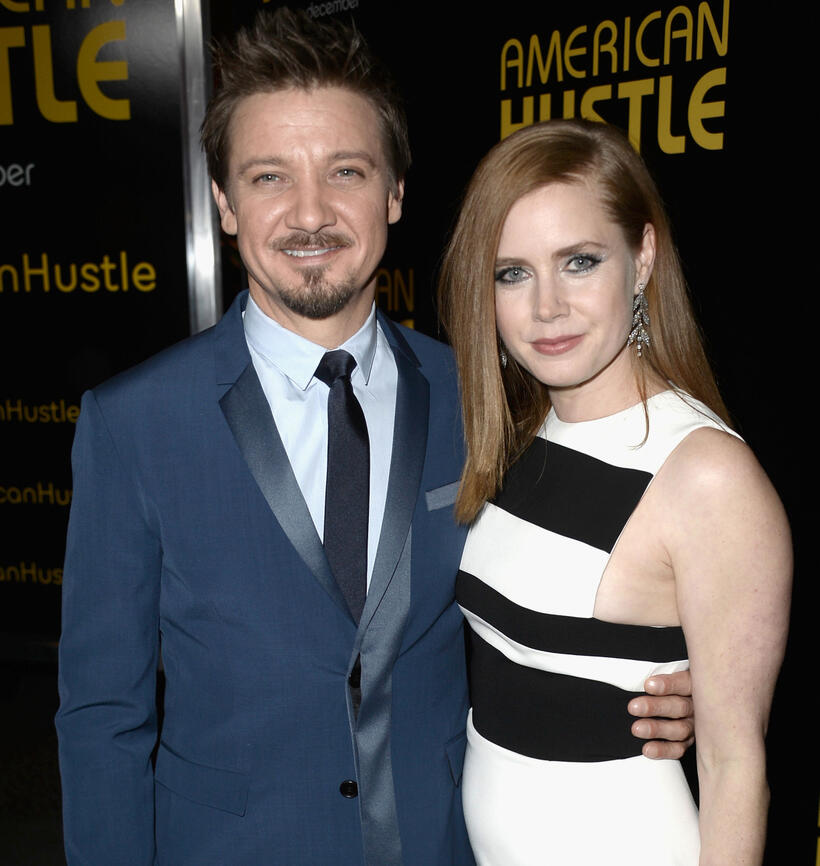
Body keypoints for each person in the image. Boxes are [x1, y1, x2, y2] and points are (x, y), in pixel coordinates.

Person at [56, 11, 696, 866]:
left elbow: (556, 593)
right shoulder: (132, 422)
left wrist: (665, 684)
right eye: (270, 176)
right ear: (224, 203)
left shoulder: (489, 396)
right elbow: (102, 715)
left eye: (346, 171)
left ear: (394, 191)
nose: (310, 213)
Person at [438, 118, 792, 865]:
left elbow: (737, 771)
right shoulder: (525, 433)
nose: (546, 308)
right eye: (512, 273)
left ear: (642, 259)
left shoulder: (705, 476)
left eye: (580, 262)